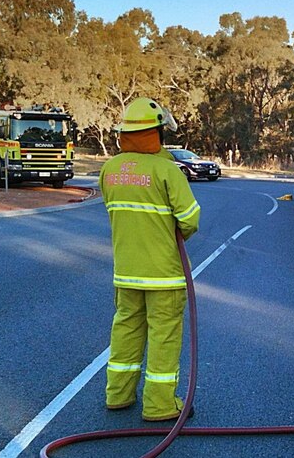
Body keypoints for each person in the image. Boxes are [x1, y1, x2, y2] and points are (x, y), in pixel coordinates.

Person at [99, 97, 200, 421]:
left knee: (126, 330)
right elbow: (190, 219)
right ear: (157, 134)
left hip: (126, 273)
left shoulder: (109, 170)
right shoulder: (167, 171)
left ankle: (118, 394)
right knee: (164, 337)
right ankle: (159, 405)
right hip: (164, 276)